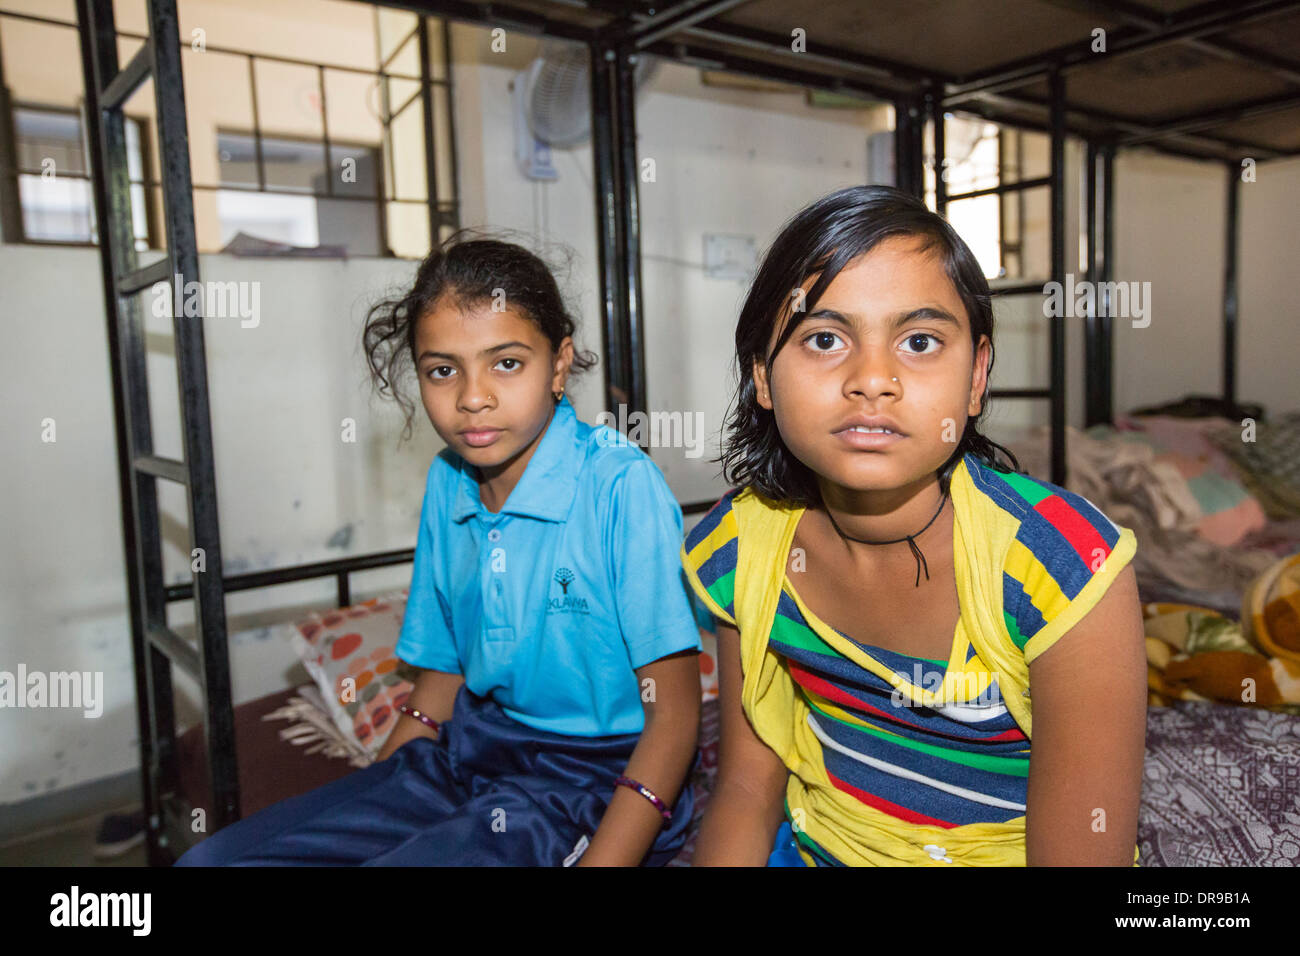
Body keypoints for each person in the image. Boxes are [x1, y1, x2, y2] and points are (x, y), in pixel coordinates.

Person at [176, 234, 701, 866]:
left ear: (559, 365)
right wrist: (374, 795)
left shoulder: (618, 486)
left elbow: (672, 719)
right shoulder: (449, 481)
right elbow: (444, 673)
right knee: (209, 862)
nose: (471, 397)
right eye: (442, 369)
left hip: (586, 783)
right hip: (467, 754)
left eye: (506, 363)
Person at [683, 185, 1146, 867]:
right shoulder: (740, 549)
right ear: (763, 376)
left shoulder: (1061, 564)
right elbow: (749, 788)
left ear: (977, 377)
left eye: (920, 341)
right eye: (825, 338)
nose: (873, 379)